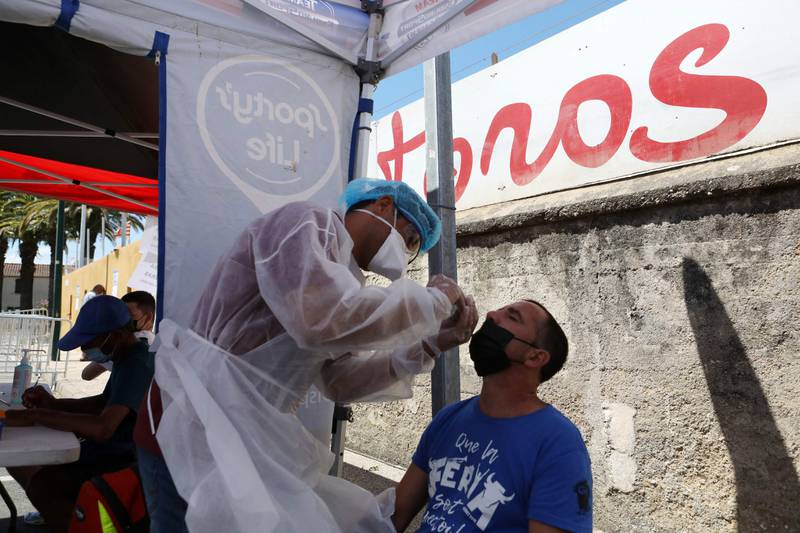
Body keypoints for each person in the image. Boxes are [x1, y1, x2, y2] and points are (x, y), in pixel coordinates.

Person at [134, 178, 478, 533]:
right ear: (383, 205)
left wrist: (427, 346)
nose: (406, 254)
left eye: (413, 250)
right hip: (190, 419)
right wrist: (433, 301)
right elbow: (318, 319)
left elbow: (339, 380)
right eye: (409, 239)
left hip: (240, 430)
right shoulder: (306, 224)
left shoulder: (345, 281)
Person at [392, 300, 593, 533]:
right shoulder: (449, 419)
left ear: (535, 357)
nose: (491, 315)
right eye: (499, 311)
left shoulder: (559, 443)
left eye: (513, 317)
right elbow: (394, 515)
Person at [5, 295, 154, 533]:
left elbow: (103, 428)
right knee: (28, 467)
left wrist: (36, 416)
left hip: (125, 457)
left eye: (88, 343)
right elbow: (101, 404)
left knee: (45, 483)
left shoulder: (138, 363)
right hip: (116, 449)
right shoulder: (126, 356)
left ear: (113, 335)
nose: (85, 350)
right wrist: (53, 404)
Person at [82, 290, 156, 381]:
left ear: (148, 317)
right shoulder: (157, 342)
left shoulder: (132, 342)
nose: (123, 321)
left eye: (130, 316)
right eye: (121, 316)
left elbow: (86, 374)